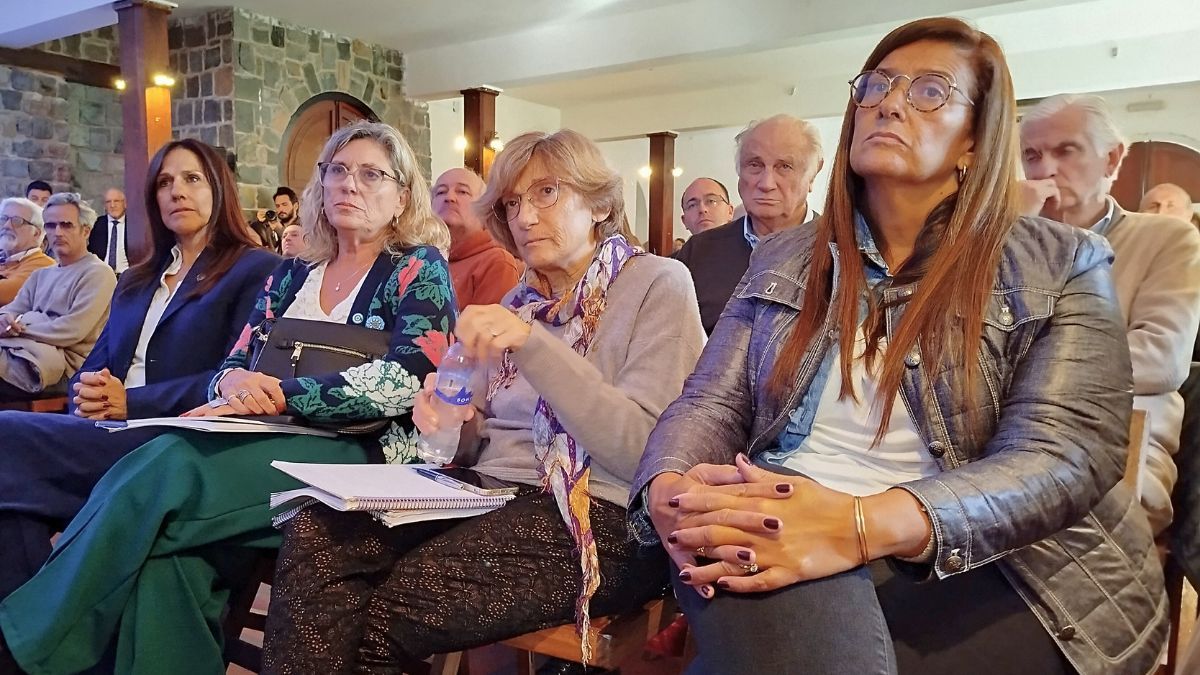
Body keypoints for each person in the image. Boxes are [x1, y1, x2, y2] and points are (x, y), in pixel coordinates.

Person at [631, 17, 1165, 675]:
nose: (888, 102)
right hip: (780, 511)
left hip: (999, 561)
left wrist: (858, 523)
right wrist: (669, 479)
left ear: (976, 138)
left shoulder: (1060, 262)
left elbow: (1065, 455)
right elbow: (708, 402)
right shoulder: (784, 256)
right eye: (877, 86)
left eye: (930, 92)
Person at [0, 121, 455, 675]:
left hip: (359, 454)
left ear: (402, 196)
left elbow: (408, 376)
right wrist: (233, 385)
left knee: (168, 462)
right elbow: (234, 363)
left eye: (369, 174)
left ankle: (24, 641)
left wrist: (283, 394)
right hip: (259, 436)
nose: (348, 185)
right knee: (172, 557)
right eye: (336, 171)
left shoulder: (417, 267)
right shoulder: (293, 274)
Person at [262, 129, 706, 673]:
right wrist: (452, 423)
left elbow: (643, 451)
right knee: (315, 534)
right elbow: (478, 446)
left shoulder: (658, 283)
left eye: (547, 193)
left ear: (600, 204)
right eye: (513, 203)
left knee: (391, 611)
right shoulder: (519, 302)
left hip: (602, 513)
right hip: (490, 494)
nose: (523, 216)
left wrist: (532, 343)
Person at [0, 138, 279, 598]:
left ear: (219, 189)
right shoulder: (136, 279)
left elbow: (236, 379)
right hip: (105, 432)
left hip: (176, 442)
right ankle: (34, 641)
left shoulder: (257, 270)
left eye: (192, 179)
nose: (176, 192)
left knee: (8, 438)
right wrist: (86, 394)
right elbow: (92, 369)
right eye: (165, 182)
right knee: (13, 504)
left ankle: (33, 636)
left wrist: (130, 401)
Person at [1019, 94, 1200, 534]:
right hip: (1010, 441)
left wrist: (1029, 369)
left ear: (1112, 159)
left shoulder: (1167, 239)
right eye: (1032, 155)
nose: (1046, 169)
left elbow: (1161, 360)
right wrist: (1013, 236)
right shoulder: (1012, 242)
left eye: (1066, 150)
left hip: (1122, 443)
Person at [674, 115, 824, 333]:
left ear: (813, 174)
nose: (766, 183)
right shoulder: (699, 251)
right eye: (755, 165)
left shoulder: (840, 249)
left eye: (784, 166)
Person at [0, 192, 114, 397]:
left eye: (66, 225)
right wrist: (5, 320)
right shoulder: (40, 275)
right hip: (21, 352)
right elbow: (11, 311)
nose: (57, 232)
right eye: (51, 226)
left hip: (66, 368)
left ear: (85, 231)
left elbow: (71, 332)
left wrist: (20, 326)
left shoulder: (98, 273)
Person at [433, 166, 522, 309]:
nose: (449, 197)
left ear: (484, 208)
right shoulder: (420, 257)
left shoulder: (496, 262)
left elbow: (488, 329)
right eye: (440, 192)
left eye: (462, 191)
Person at [0, 197, 53, 304]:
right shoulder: (4, 258)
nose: (6, 226)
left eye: (17, 221)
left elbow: (5, 293)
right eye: (3, 219)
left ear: (36, 233)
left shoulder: (44, 265)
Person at [87, 188, 131, 274]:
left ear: (125, 204)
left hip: (127, 278)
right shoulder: (95, 225)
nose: (112, 205)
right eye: (108, 202)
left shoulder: (135, 225)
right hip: (101, 275)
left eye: (116, 201)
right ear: (104, 206)